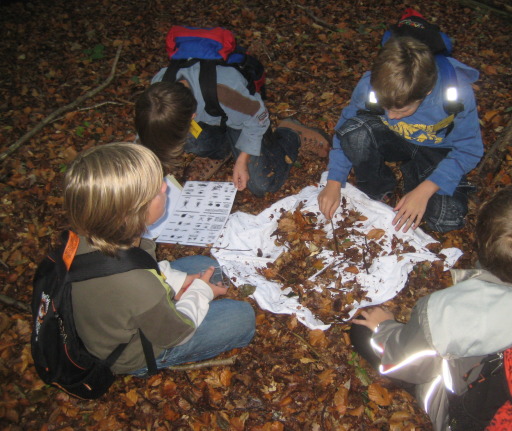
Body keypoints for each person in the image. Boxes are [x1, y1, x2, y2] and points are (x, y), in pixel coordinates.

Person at [349, 179, 512, 430]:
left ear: (479, 238)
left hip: (467, 413)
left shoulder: (445, 310)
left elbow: (406, 363)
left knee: (361, 330)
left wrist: (385, 327)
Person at [63, 142, 255, 375]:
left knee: (209, 268)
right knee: (242, 317)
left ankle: (178, 295)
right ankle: (144, 367)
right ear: (134, 211)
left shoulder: (102, 234)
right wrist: (200, 292)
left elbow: (147, 268)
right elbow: (177, 334)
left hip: (123, 308)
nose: (165, 188)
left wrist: (178, 281)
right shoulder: (135, 283)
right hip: (133, 351)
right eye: (157, 190)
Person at [318, 36, 483, 233]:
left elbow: (469, 149)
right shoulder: (371, 86)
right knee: (355, 133)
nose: (392, 116)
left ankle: (416, 180)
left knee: (446, 219)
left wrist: (426, 189)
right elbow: (346, 126)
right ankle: (378, 187)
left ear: (427, 91)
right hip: (394, 139)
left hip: (436, 152)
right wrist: (334, 181)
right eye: (385, 107)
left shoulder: (456, 95)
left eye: (402, 111)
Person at [135, 67, 330, 197]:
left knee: (261, 184)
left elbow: (257, 119)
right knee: (185, 138)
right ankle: (222, 151)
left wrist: (243, 160)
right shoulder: (158, 92)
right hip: (212, 119)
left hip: (244, 121)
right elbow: (150, 133)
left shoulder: (225, 90)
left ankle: (291, 133)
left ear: (192, 116)